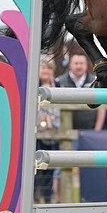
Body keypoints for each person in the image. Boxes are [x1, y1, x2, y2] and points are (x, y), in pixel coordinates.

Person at [36, 58, 61, 202]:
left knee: (50, 168)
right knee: (36, 167)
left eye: (49, 68)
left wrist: (50, 121)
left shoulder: (58, 86)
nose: (46, 71)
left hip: (53, 132)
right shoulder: (33, 87)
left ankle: (47, 197)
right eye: (43, 68)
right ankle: (34, 196)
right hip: (38, 132)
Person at [56, 51, 100, 130]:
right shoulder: (59, 81)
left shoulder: (96, 81)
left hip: (90, 130)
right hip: (65, 130)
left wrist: (97, 130)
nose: (79, 66)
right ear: (70, 65)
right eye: (76, 63)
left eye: (81, 63)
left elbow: (101, 107)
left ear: (86, 65)